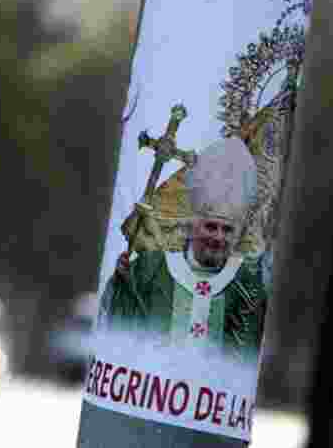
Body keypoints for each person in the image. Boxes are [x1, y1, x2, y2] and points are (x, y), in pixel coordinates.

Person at [103, 137, 267, 362]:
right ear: (192, 227)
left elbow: (247, 354)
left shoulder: (245, 284)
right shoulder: (151, 268)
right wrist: (120, 283)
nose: (218, 237)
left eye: (227, 230)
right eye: (211, 226)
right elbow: (119, 329)